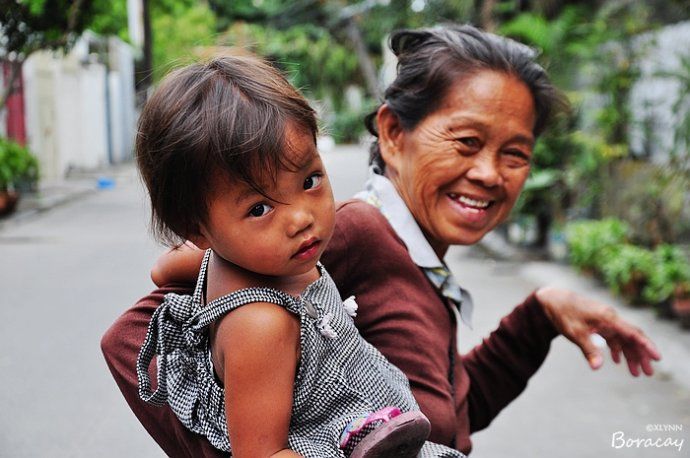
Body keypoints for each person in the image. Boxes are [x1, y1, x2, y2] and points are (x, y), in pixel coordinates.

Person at [102, 24, 661, 456]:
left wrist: (539, 319)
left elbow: (445, 418)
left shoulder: (410, 256)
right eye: (467, 141)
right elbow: (133, 340)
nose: (491, 173)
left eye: (514, 153)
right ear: (393, 133)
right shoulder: (339, 236)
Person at [130, 54, 464, 458]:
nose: (302, 218)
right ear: (196, 228)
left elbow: (163, 268)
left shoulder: (235, 256)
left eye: (310, 180)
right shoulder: (261, 324)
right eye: (259, 208)